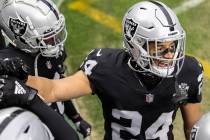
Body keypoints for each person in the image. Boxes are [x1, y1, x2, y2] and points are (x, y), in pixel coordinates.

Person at [0, 1, 204, 140]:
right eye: (159, 47)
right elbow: (53, 89)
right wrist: (19, 81)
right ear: (135, 44)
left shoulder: (188, 70)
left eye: (173, 46)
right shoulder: (106, 68)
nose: (169, 55)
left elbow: (192, 130)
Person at [0, 0, 91, 138]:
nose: (55, 41)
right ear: (21, 34)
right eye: (48, 37)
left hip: (57, 122)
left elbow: (59, 84)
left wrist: (76, 118)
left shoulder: (52, 53)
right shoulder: (8, 66)